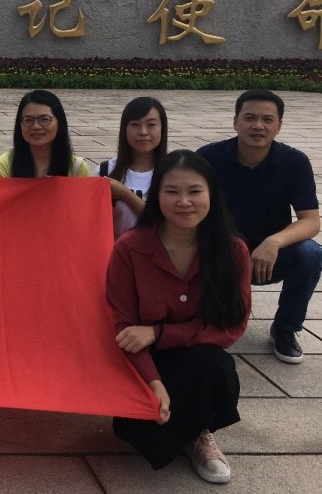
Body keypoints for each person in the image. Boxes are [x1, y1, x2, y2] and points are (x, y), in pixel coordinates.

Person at [106, 150, 251, 484]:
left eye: (195, 191)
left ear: (211, 194)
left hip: (197, 357)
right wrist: (153, 384)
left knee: (214, 365)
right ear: (157, 196)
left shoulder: (233, 251)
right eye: (171, 191)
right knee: (140, 434)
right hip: (142, 362)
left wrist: (159, 332)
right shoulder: (129, 248)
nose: (184, 202)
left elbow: (231, 328)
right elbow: (123, 326)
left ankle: (200, 433)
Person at [197, 89, 322, 365]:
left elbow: (311, 221)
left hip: (269, 258)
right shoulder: (208, 158)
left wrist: (274, 242)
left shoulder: (294, 162)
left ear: (279, 125)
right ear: (235, 122)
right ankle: (202, 319)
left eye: (267, 119)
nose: (258, 126)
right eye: (250, 117)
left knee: (311, 254)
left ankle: (286, 328)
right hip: (221, 253)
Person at [97, 97, 168, 238]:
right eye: (135, 125)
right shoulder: (104, 170)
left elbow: (166, 223)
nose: (143, 132)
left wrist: (125, 194)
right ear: (124, 129)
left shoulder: (172, 171)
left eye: (151, 125)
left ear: (162, 129)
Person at [0, 89, 89, 177]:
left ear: (59, 123)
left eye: (45, 119)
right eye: (28, 120)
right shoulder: (6, 165)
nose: (36, 126)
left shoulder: (77, 168)